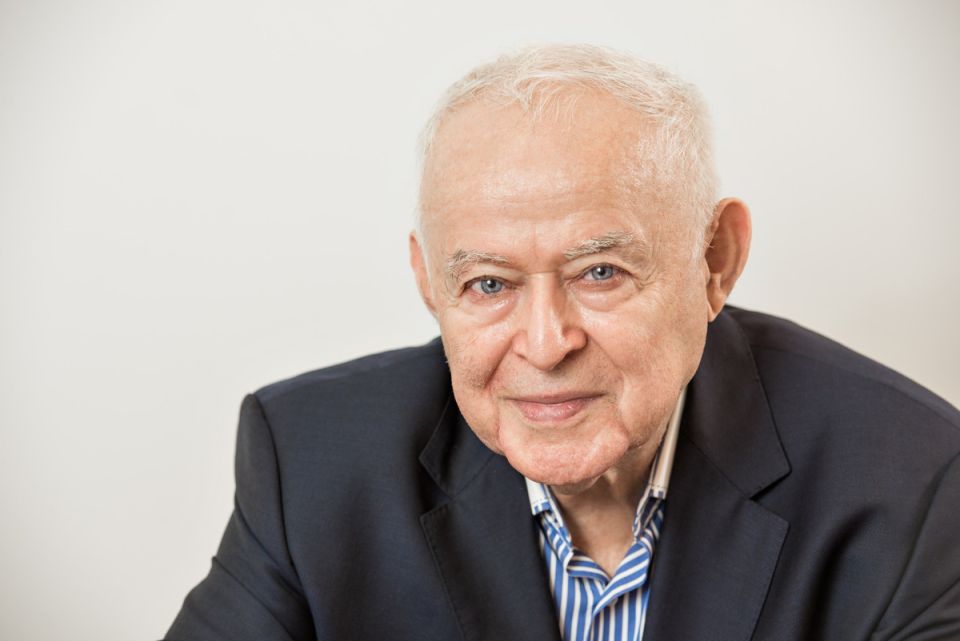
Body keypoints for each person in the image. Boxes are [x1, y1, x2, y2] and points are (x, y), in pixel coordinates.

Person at [163, 44, 960, 641]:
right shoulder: (310, 464)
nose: (545, 346)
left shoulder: (914, 483)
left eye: (600, 272)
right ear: (429, 282)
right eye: (489, 284)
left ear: (714, 260)